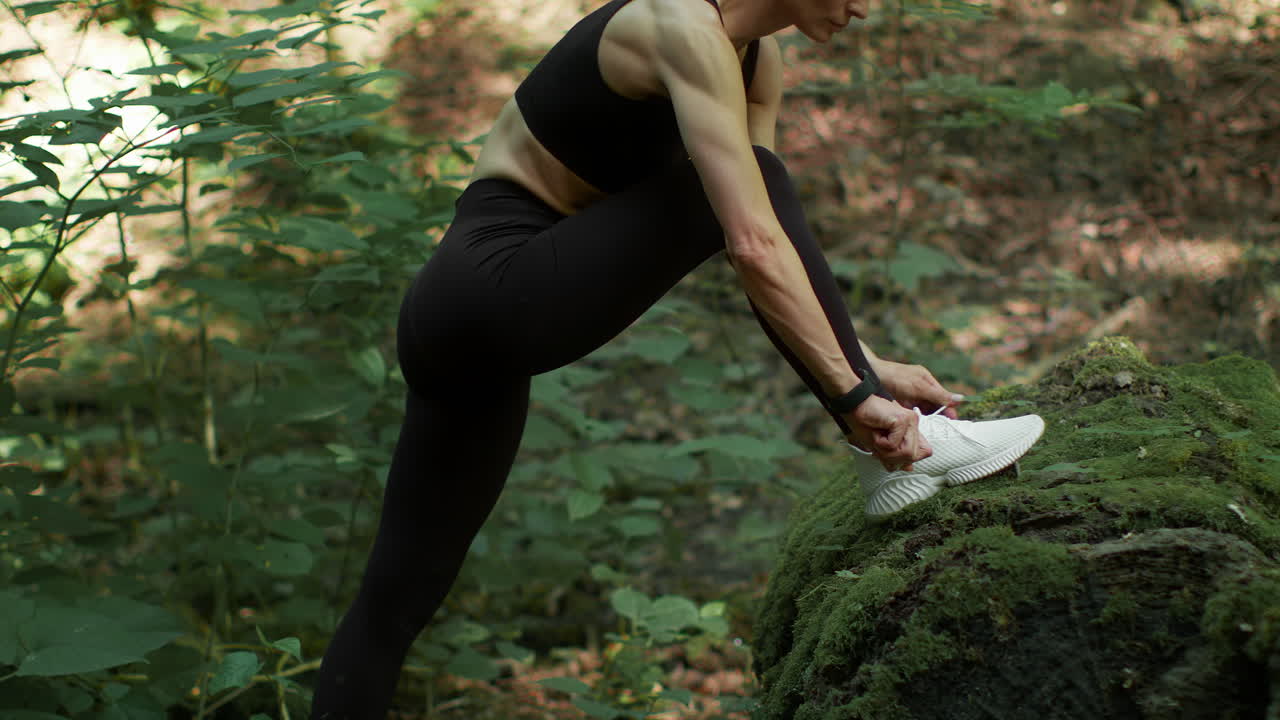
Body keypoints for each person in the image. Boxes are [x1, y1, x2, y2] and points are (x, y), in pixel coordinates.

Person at [309, 0, 1043, 716]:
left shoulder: (760, 62)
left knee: (395, 604)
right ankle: (887, 440)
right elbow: (752, 238)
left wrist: (867, 364)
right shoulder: (680, 23)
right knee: (752, 183)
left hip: (471, 332)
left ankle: (881, 450)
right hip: (490, 289)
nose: (864, 8)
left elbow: (766, 247)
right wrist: (853, 395)